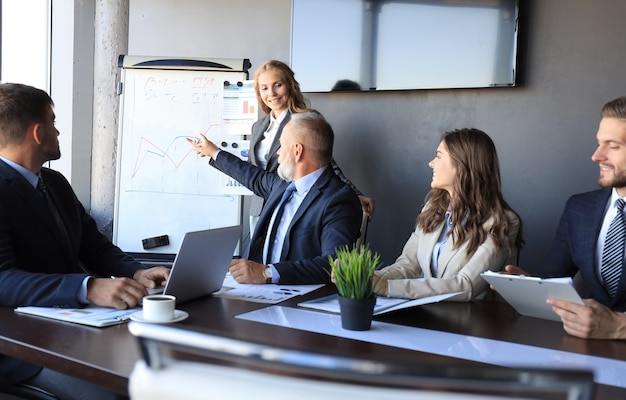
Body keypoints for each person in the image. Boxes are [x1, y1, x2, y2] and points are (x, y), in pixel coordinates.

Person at [0, 82, 170, 400]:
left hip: (75, 329)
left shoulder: (56, 184)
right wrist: (88, 287)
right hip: (21, 347)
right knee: (119, 399)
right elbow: (2, 279)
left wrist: (135, 270)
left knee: (156, 374)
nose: (58, 129)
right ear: (37, 132)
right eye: (52, 120)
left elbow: (96, 247)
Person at [190, 110, 362, 285]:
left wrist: (267, 273)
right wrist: (213, 152)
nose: (278, 152)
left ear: (297, 151)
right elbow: (252, 176)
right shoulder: (282, 185)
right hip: (252, 292)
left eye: (282, 145)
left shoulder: (338, 200)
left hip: (294, 302)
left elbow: (334, 265)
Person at [505, 96, 626, 340]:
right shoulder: (579, 208)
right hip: (588, 358)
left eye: (613, 146)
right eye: (599, 143)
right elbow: (553, 280)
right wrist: (529, 287)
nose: (596, 156)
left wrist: (619, 326)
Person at [373, 128, 523, 301]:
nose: (431, 163)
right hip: (425, 313)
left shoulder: (502, 222)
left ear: (461, 165)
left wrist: (388, 288)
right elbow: (407, 265)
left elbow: (467, 285)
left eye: (438, 156)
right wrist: (363, 278)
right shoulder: (433, 208)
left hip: (471, 321)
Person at [247, 60, 374, 232]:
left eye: (278, 85)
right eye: (264, 88)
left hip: (291, 204)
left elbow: (326, 163)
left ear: (290, 85)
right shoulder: (258, 127)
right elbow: (253, 170)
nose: (272, 93)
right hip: (259, 210)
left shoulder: (306, 119)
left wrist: (354, 193)